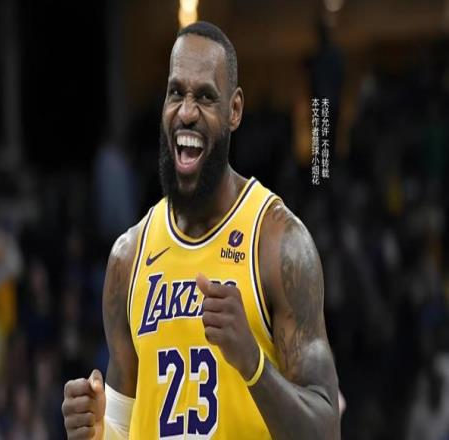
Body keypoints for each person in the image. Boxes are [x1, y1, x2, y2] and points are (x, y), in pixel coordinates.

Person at [62, 21, 340, 439]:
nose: (187, 111)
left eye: (205, 97)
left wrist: (253, 364)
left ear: (234, 110)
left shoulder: (278, 243)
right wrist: (96, 429)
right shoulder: (128, 257)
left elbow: (326, 429)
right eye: (176, 93)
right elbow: (124, 425)